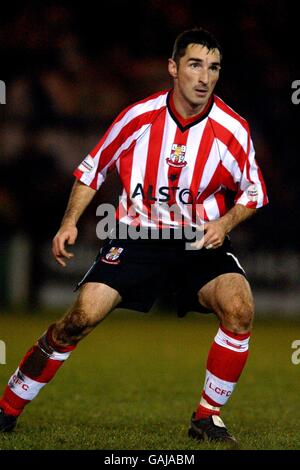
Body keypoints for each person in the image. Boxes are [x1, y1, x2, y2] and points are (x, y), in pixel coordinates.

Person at [0, 27, 268, 444]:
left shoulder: (232, 129)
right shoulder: (138, 117)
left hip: (199, 240)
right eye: (195, 65)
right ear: (173, 68)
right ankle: (8, 406)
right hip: (136, 237)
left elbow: (253, 193)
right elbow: (93, 170)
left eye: (213, 68)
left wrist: (224, 224)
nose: (204, 77)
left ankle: (206, 416)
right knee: (79, 319)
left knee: (240, 308)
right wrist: (69, 222)